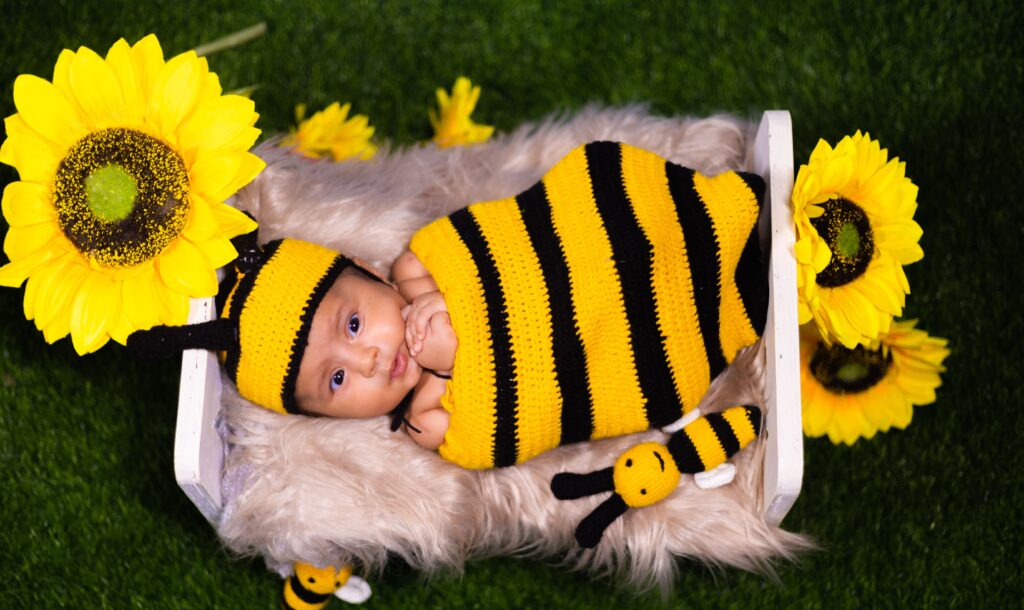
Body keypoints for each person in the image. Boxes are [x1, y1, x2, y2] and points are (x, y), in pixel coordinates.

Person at [129, 141, 767, 472]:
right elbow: (492, 429)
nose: (372, 359)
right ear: (327, 416)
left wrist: (452, 298)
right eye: (337, 379)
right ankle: (728, 312)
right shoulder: (429, 415)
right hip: (602, 359)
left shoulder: (419, 265)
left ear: (371, 272)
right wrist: (452, 359)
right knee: (657, 369)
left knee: (603, 206)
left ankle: (712, 212)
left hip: (573, 257)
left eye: (352, 324)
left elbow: (491, 238)